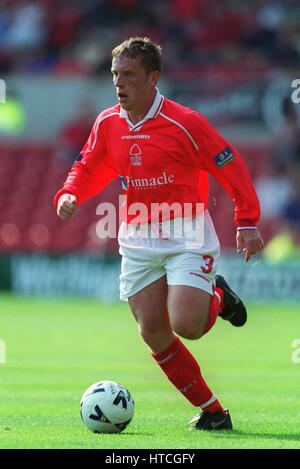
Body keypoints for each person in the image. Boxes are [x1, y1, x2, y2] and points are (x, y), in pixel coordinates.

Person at [54, 37, 264, 431]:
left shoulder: (185, 122)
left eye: (128, 75)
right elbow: (87, 167)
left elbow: (229, 163)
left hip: (185, 232)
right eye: (115, 74)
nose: (119, 83)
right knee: (153, 331)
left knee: (186, 324)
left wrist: (247, 220)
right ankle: (213, 412)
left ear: (153, 78)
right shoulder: (108, 123)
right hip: (136, 236)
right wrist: (68, 193)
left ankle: (218, 294)